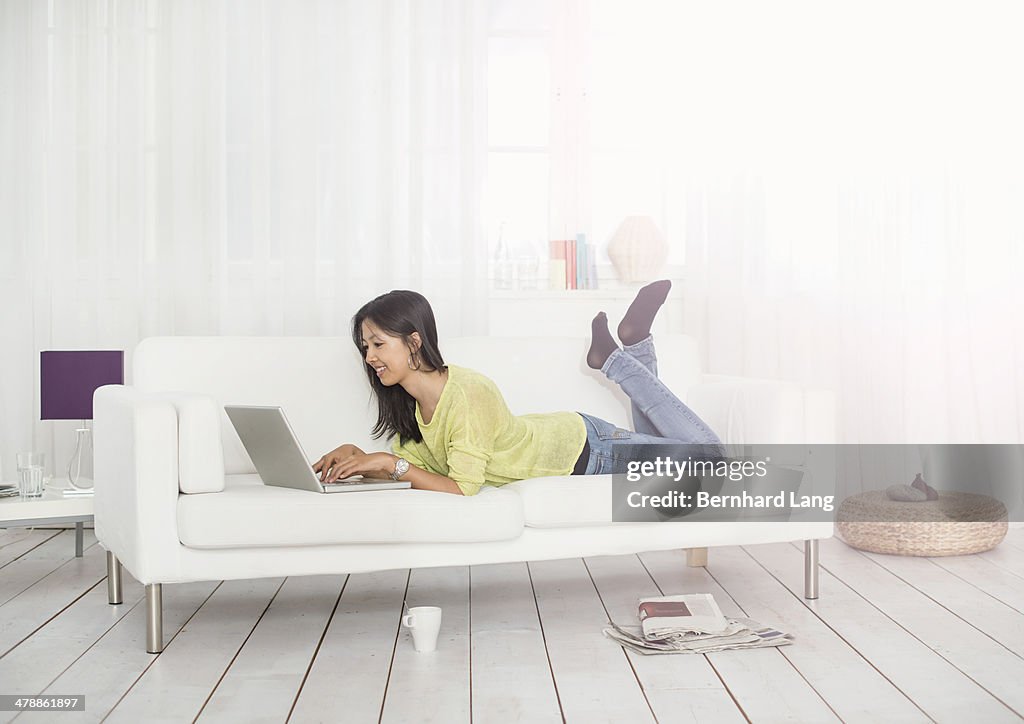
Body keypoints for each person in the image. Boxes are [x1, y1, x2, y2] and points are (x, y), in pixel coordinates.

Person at [313, 280, 722, 495]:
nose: (369, 357)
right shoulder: (414, 405)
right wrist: (362, 458)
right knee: (674, 445)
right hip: (574, 440)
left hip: (585, 449)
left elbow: (463, 486)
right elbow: (423, 471)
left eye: (379, 344)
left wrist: (388, 464)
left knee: (713, 460)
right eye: (365, 347)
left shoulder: (466, 392)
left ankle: (614, 359)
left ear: (414, 341)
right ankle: (634, 343)